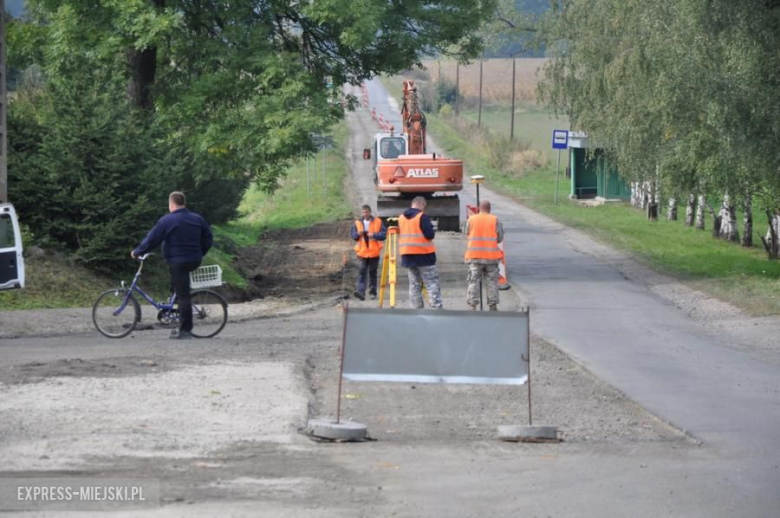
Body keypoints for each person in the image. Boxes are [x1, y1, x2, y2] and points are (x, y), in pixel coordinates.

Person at [131, 191, 213, 339]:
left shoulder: (167, 220)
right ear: (184, 203)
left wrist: (138, 251)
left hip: (178, 261)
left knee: (183, 296)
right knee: (177, 286)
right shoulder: (197, 218)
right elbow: (208, 238)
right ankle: (173, 311)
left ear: (171, 204)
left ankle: (185, 331)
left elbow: (152, 239)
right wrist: (200, 253)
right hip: (194, 259)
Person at [398, 196, 443, 309]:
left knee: (414, 284)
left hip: (407, 256)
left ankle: (416, 310)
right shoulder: (422, 217)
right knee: (431, 283)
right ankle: (437, 309)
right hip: (424, 255)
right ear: (422, 204)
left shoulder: (401, 218)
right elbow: (429, 234)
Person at [465, 200, 504, 311]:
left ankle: (472, 306)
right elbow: (500, 238)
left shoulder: (471, 219)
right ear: (489, 208)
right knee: (492, 282)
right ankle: (492, 306)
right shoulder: (494, 220)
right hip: (491, 258)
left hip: (474, 257)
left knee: (473, 282)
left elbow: (466, 234)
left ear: (478, 208)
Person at [351, 205, 387, 300]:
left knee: (372, 272)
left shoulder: (378, 222)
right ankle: (361, 292)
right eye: (363, 212)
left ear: (370, 212)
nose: (365, 214)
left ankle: (373, 293)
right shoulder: (358, 223)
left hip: (374, 252)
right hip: (362, 253)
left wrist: (374, 235)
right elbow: (353, 235)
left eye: (366, 212)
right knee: (362, 272)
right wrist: (357, 234)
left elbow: (384, 235)